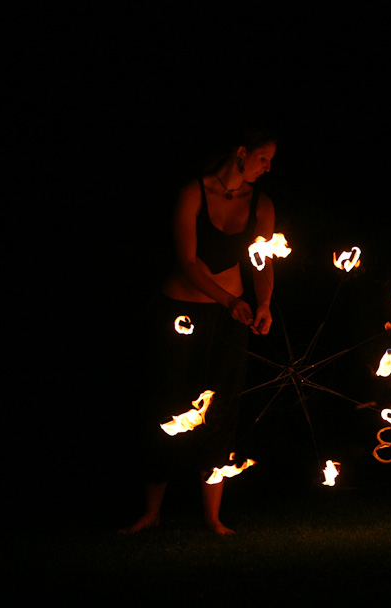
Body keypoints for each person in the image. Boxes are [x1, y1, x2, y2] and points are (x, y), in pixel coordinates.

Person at [122, 128, 278, 536]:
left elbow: (261, 261)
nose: (268, 167)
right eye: (263, 158)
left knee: (221, 407)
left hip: (230, 318)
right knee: (166, 405)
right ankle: (151, 512)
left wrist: (263, 304)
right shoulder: (192, 192)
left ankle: (212, 518)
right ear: (241, 153)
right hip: (179, 312)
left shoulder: (261, 204)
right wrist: (229, 301)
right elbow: (187, 262)